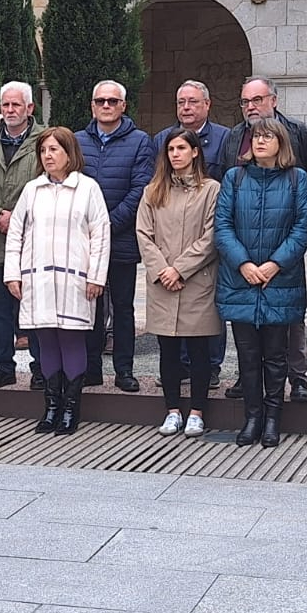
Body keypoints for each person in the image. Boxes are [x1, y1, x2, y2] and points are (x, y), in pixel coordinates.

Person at [219, 77, 307, 403]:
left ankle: (299, 377)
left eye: (257, 100)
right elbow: (228, 200)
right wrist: (243, 260)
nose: (251, 107)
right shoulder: (236, 136)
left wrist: (278, 260)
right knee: (248, 326)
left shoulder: (300, 133)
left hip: (282, 248)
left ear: (273, 101)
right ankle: (245, 379)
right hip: (246, 250)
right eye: (245, 102)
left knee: (288, 323)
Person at [215, 117, 307, 448]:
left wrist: (274, 264)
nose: (259, 142)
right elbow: (222, 226)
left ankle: (273, 418)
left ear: (281, 143)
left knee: (275, 354)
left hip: (279, 281)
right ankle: (252, 417)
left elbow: (303, 228)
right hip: (241, 279)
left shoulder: (298, 180)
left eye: (267, 137)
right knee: (246, 354)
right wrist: (243, 263)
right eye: (255, 137)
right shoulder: (235, 177)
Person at [4, 127, 109, 435]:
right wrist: (12, 273)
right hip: (37, 278)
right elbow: (16, 235)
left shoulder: (87, 188)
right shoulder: (32, 190)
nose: (47, 156)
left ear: (69, 153)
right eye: (43, 151)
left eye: (54, 150)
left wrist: (96, 276)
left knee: (71, 337)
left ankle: (70, 408)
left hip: (75, 279)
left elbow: (101, 236)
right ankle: (51, 407)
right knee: (46, 338)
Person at [137, 127, 220, 438]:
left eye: (182, 148)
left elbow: (212, 236)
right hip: (163, 283)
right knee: (168, 350)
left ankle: (197, 411)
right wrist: (162, 269)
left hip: (196, 282)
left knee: (199, 351)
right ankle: (172, 410)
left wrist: (181, 269)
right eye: (171, 149)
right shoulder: (153, 191)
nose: (175, 154)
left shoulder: (211, 190)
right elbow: (144, 234)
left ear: (195, 152)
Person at [77, 80, 155, 392]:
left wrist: (105, 226)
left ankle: (124, 370)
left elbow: (140, 190)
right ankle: (91, 368)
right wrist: (89, 229)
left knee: (123, 307)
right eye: (100, 101)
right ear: (92, 106)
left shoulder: (139, 142)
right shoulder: (77, 140)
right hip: (83, 242)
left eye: (112, 101)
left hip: (120, 239)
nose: (106, 106)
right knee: (89, 306)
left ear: (123, 105)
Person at [155, 80, 232, 386]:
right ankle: (180, 366)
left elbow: (227, 185)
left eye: (192, 102)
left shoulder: (226, 138)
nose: (186, 108)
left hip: (206, 236)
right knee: (174, 304)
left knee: (207, 304)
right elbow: (157, 184)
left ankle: (210, 366)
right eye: (181, 102)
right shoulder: (162, 138)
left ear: (207, 105)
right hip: (170, 235)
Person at [0, 81, 43, 389]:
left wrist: (20, 218)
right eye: (5, 105)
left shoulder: (45, 139)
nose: (10, 110)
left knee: (33, 310)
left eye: (16, 105)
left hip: (34, 242)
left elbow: (51, 183)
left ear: (30, 108)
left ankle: (41, 367)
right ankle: (3, 366)